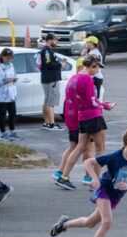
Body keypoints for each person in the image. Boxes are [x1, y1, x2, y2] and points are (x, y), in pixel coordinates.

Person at [50, 128, 127, 237]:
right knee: (107, 222)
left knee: (90, 223)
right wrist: (94, 179)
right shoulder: (115, 157)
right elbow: (88, 162)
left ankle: (63, 224)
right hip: (104, 190)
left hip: (116, 196)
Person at [56, 56, 115, 191]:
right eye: (97, 67)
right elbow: (92, 101)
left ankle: (64, 177)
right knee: (100, 149)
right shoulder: (87, 79)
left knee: (79, 147)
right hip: (93, 116)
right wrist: (106, 105)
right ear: (92, 66)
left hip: (81, 116)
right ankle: (96, 182)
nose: (98, 70)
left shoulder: (74, 77)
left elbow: (72, 99)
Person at [54, 59, 92, 186]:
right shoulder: (84, 80)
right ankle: (88, 177)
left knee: (73, 147)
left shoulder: (72, 79)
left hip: (70, 116)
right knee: (86, 148)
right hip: (81, 117)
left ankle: (60, 172)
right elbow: (90, 101)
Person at [40, 33, 65, 131]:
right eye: (56, 40)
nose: (57, 42)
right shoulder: (47, 50)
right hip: (51, 79)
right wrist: (60, 64)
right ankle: (51, 124)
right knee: (51, 102)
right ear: (50, 40)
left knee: (47, 101)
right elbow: (48, 63)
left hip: (47, 78)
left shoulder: (47, 50)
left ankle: (46, 122)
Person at [0, 48, 20, 141]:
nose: (9, 60)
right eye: (8, 58)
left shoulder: (11, 65)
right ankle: (3, 133)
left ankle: (12, 132)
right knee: (2, 114)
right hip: (1, 95)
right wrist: (6, 80)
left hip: (11, 94)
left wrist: (15, 78)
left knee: (13, 113)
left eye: (11, 58)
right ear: (2, 56)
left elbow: (15, 74)